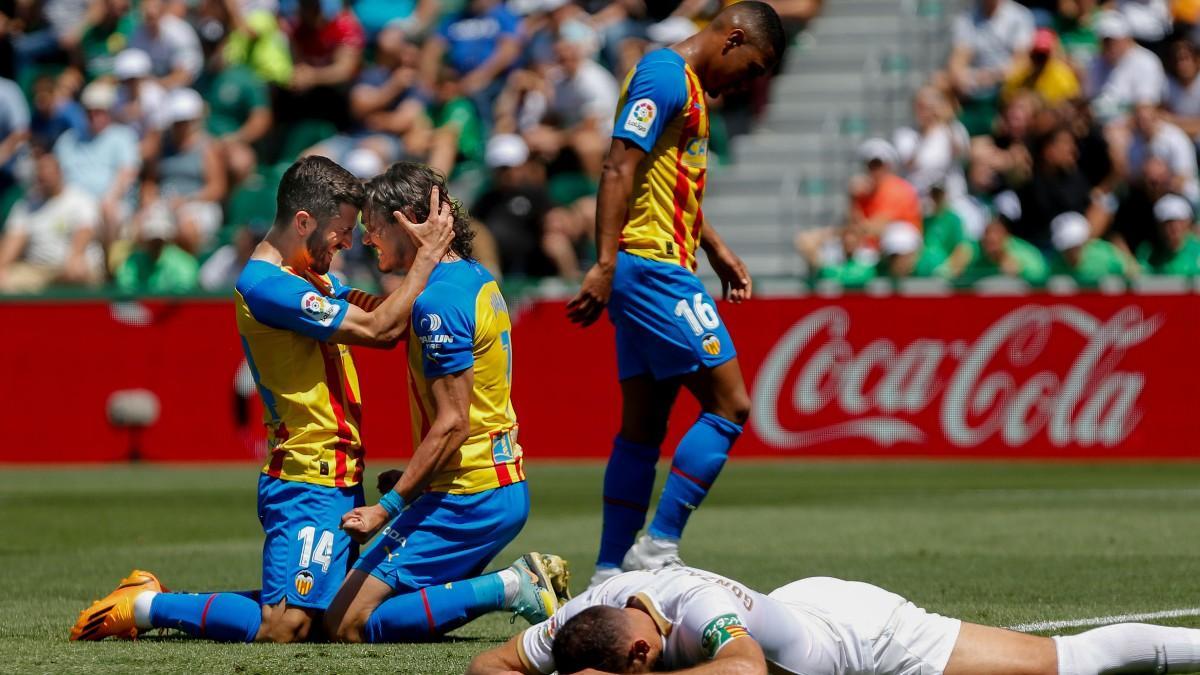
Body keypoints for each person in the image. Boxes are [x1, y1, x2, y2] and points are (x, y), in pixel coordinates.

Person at [69, 155, 452, 644]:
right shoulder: (265, 286)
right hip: (305, 475)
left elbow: (390, 314)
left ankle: (155, 597)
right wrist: (425, 259)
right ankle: (144, 605)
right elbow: (381, 329)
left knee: (321, 614)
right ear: (303, 222)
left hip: (336, 471)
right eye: (342, 230)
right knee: (285, 626)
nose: (348, 242)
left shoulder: (314, 278)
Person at [565, 1, 784, 586]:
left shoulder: (684, 88)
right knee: (731, 405)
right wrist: (605, 263)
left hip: (654, 261)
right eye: (752, 68)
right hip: (650, 266)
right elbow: (618, 168)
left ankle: (609, 573)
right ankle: (657, 546)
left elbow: (666, 180)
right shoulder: (664, 76)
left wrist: (713, 245)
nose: (745, 84)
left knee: (643, 426)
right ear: (733, 38)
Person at [322, 162, 569, 644]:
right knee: (390, 610)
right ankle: (504, 587)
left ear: (411, 220)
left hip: (468, 496)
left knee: (344, 622)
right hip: (486, 485)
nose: (368, 241)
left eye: (374, 228)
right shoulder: (471, 277)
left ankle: (513, 585)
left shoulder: (439, 304)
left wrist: (387, 507)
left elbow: (454, 423)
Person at [466, 565, 1200, 675]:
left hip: (865, 630)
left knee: (1071, 662)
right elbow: (488, 663)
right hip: (799, 608)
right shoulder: (580, 617)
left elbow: (746, 669)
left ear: (636, 654)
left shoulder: (699, 611)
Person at [0, 149, 103, 293]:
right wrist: (2, 267)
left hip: (72, 267)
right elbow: (15, 237)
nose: (43, 177)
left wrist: (75, 257)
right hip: (37, 270)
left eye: (47, 172)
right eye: (40, 173)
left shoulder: (80, 199)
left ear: (59, 173)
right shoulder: (26, 205)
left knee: (78, 271)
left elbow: (85, 230)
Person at [1136, 193, 1200, 275]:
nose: (1174, 227)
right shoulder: (1147, 253)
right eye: (1168, 222)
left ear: (1188, 222)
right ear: (1159, 226)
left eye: (1179, 221)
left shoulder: (1198, 251)